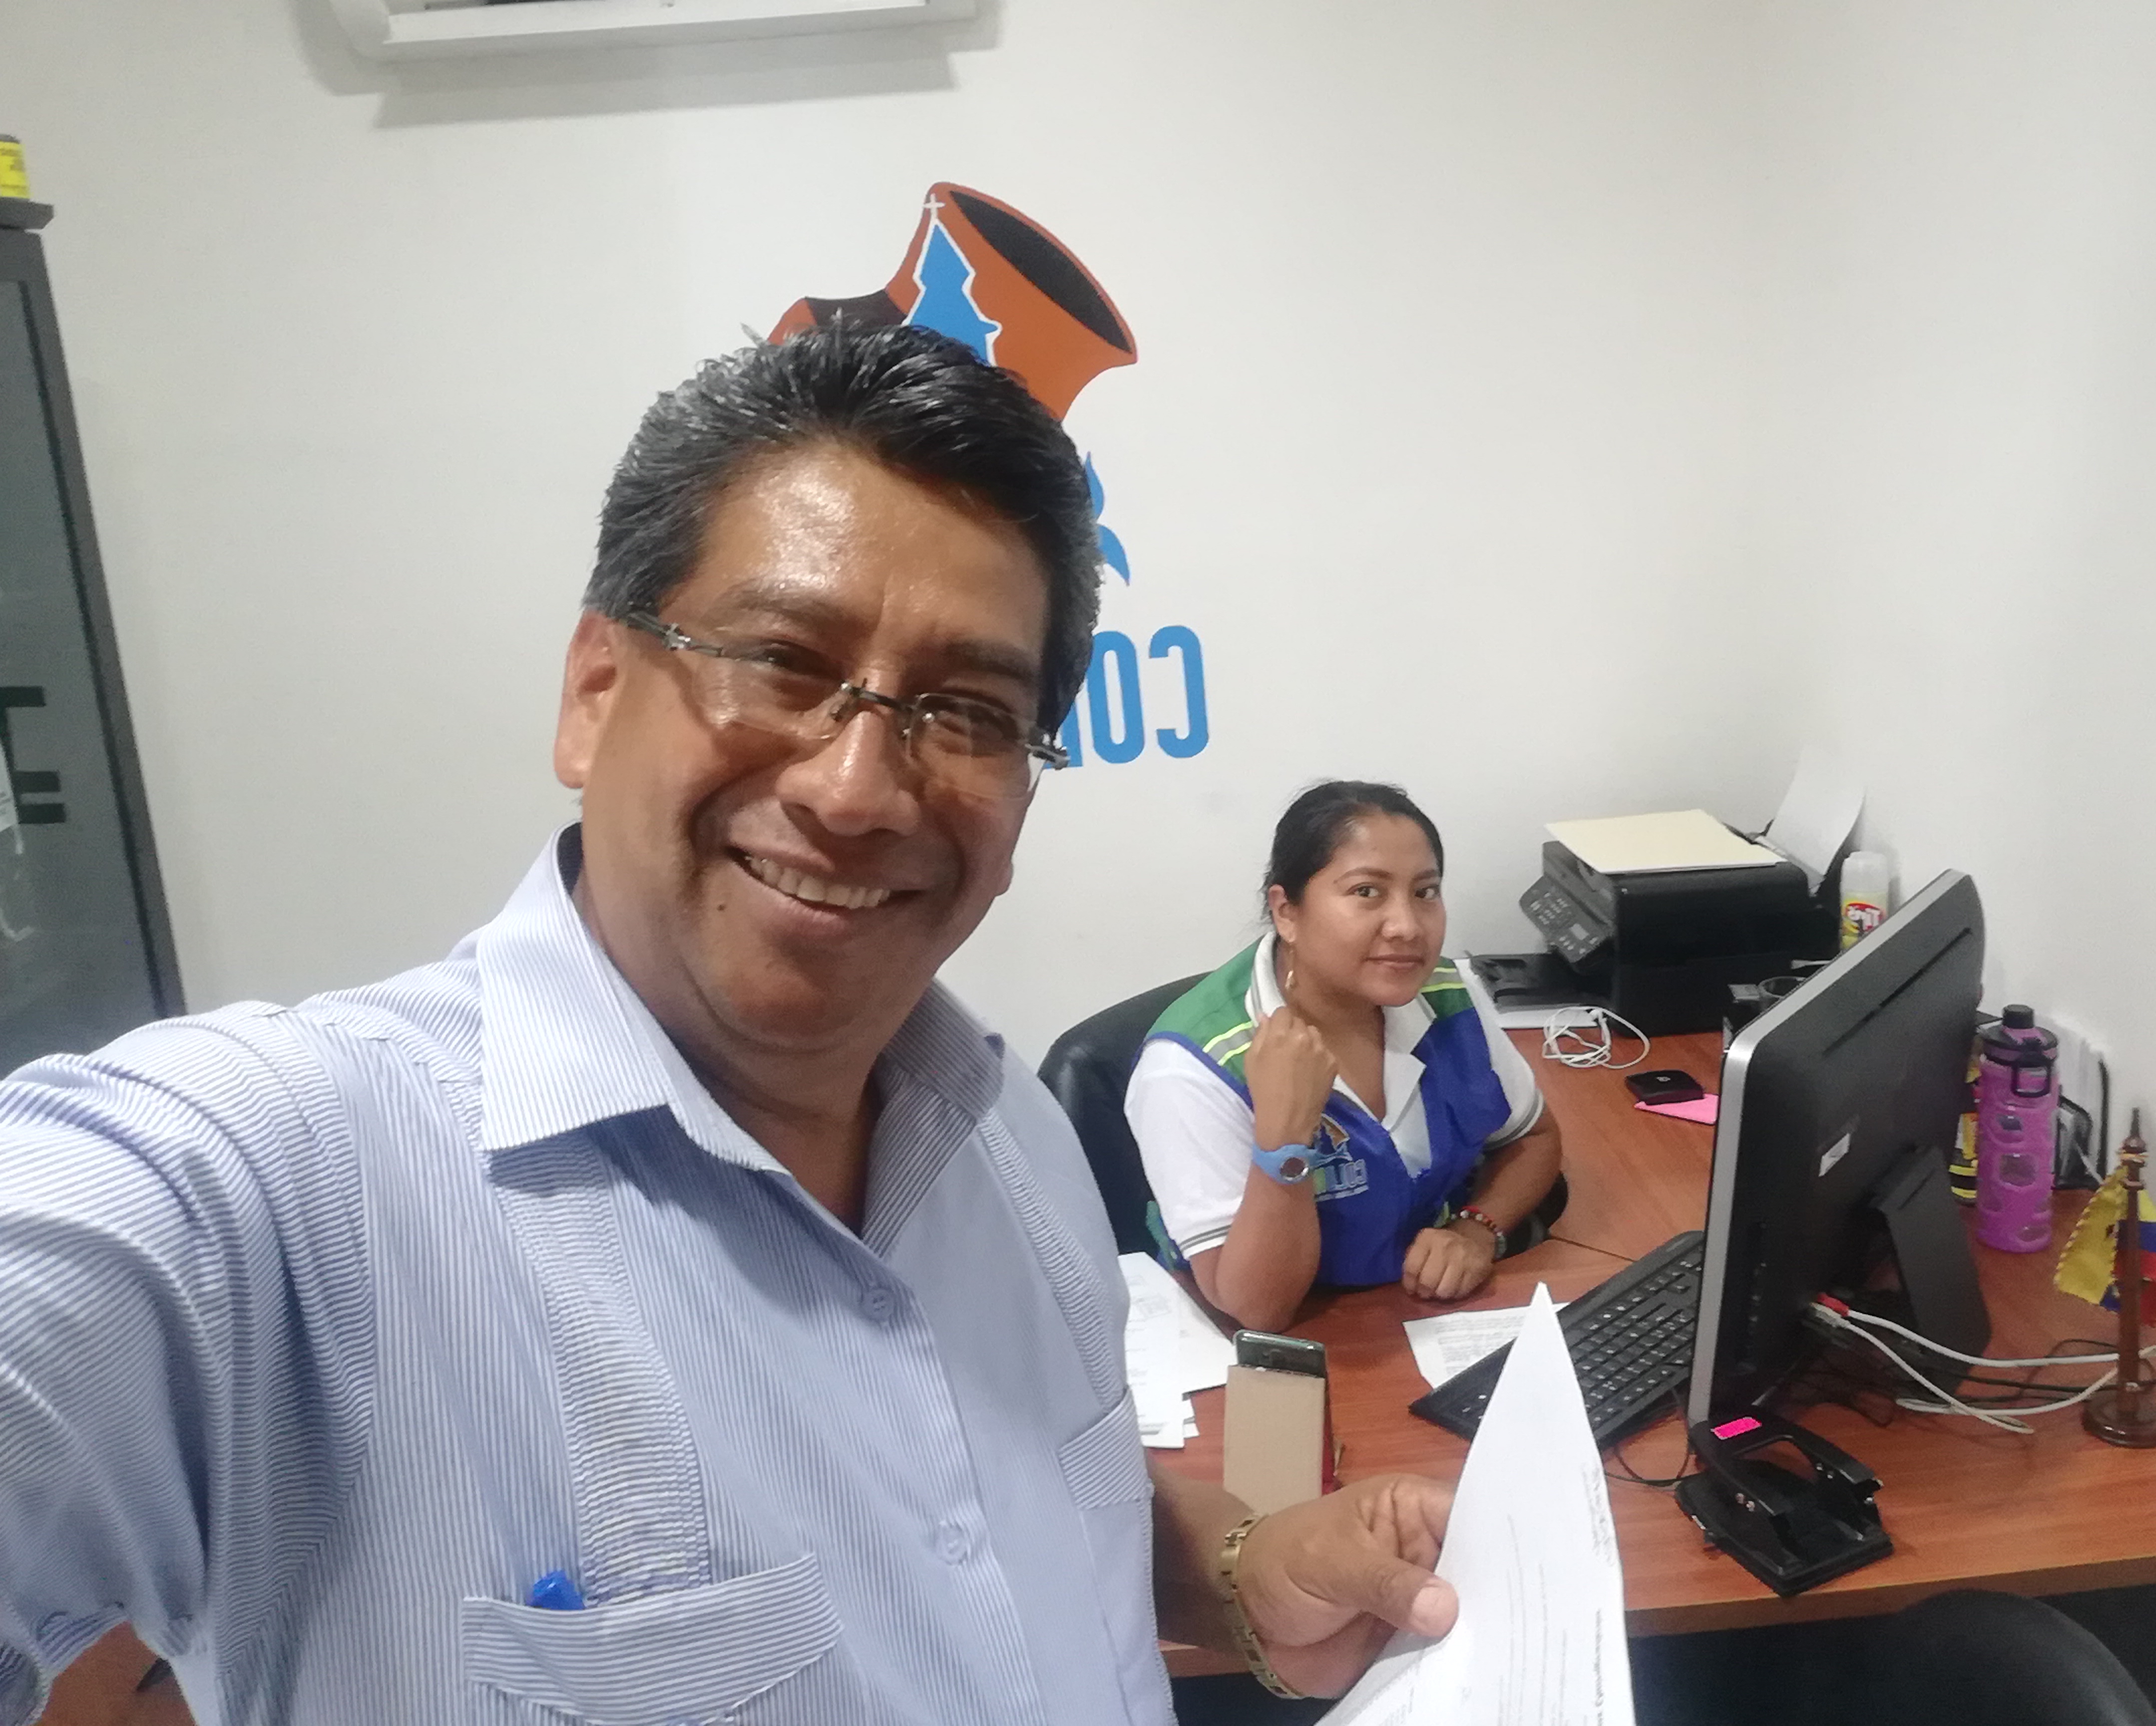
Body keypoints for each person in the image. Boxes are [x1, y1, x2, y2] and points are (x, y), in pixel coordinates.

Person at [0, 325, 1457, 1726]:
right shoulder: (269, 1187)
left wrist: (1244, 1565)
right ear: (593, 692)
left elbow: (1017, 1512)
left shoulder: (1007, 1130)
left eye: (966, 711)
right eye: (780, 660)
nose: (856, 788)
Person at [1127, 781, 1565, 1334]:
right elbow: (1258, 1309)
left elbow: (1532, 1137)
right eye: (1367, 892)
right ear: (1286, 912)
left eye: (1425, 892)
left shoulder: (1447, 993)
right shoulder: (1190, 1067)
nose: (1407, 926)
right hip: (1295, 1338)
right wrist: (1285, 1139)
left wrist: (1477, 1229)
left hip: (1421, 1315)